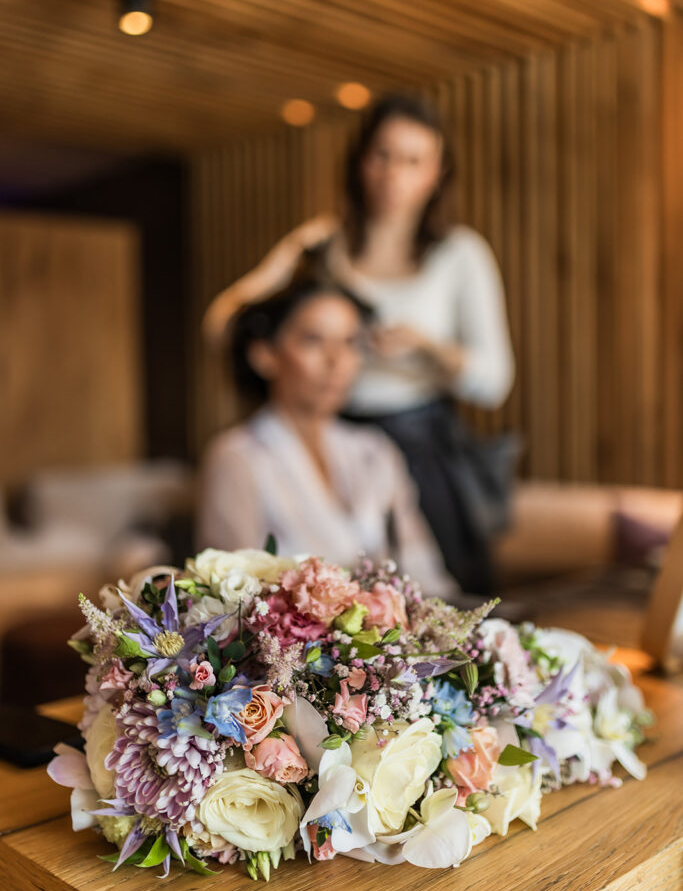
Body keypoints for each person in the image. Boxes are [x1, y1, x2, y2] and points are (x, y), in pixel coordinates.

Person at [203, 94, 517, 596]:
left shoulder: (460, 255)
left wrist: (425, 348)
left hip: (423, 446)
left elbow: (495, 381)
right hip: (335, 430)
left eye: (413, 161)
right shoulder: (323, 245)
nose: (394, 174)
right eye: (382, 155)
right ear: (359, 161)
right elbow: (226, 321)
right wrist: (279, 301)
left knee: (436, 597)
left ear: (436, 173)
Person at [197, 264, 457, 601]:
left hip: (393, 646)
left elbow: (424, 574)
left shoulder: (375, 451)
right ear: (264, 355)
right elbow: (228, 600)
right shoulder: (237, 458)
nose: (337, 360)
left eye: (350, 342)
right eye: (313, 340)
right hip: (291, 650)